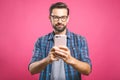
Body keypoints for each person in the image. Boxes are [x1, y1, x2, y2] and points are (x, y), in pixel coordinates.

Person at [28, 2, 92, 80]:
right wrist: (47, 60)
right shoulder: (41, 41)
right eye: (55, 17)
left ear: (68, 18)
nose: (60, 21)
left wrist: (71, 60)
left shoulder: (80, 40)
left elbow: (88, 70)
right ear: (50, 18)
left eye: (63, 17)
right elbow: (32, 69)